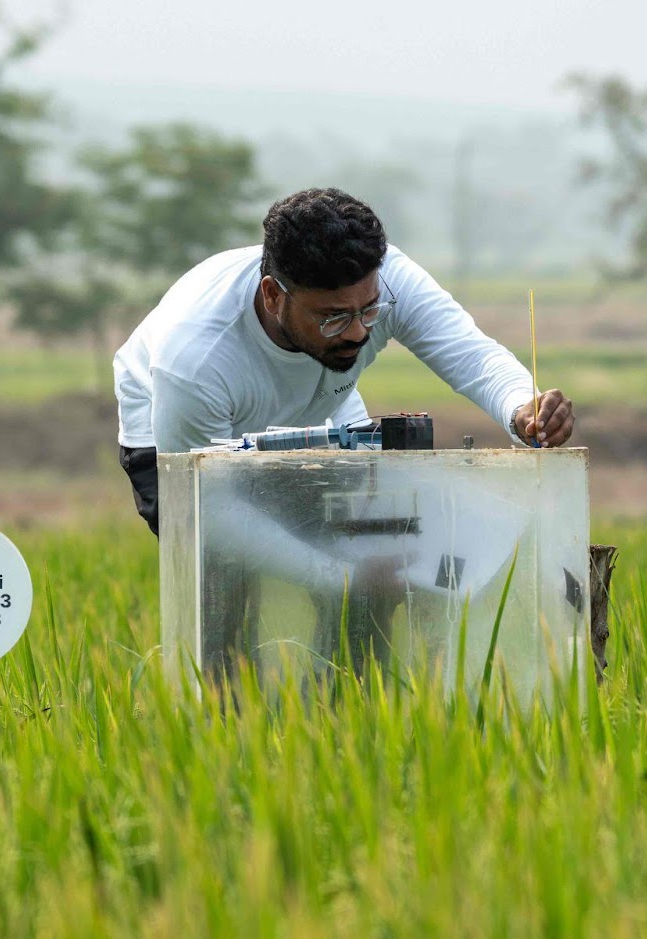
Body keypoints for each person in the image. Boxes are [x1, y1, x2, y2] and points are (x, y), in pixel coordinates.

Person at [112, 187, 575, 676]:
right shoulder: (193, 359)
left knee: (380, 562)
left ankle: (351, 721)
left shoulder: (386, 279)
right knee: (226, 591)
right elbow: (212, 509)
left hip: (324, 417)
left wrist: (522, 407)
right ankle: (229, 729)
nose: (357, 332)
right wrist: (340, 577)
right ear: (273, 295)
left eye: (368, 312)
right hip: (184, 449)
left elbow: (472, 355)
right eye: (333, 317)